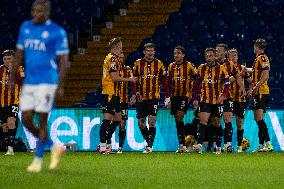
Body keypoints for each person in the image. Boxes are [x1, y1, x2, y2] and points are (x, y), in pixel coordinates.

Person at [10, 0, 69, 172]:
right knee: (26, 119)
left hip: (48, 81)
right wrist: (12, 76)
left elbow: (64, 60)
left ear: (47, 12)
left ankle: (37, 160)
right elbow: (19, 53)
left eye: (41, 11)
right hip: (30, 81)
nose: (37, 14)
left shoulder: (56, 31)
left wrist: (60, 84)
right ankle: (53, 145)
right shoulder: (25, 27)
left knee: (42, 119)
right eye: (35, 10)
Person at [99, 38, 136, 154]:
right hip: (110, 92)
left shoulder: (110, 58)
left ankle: (106, 140)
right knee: (106, 120)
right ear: (116, 46)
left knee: (118, 118)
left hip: (116, 94)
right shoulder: (113, 58)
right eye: (120, 45)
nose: (122, 47)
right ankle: (102, 146)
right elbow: (114, 77)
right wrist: (129, 80)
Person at [131, 43, 168, 153]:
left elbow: (164, 81)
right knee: (141, 123)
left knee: (151, 122)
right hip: (141, 97)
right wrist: (135, 92)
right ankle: (149, 142)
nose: (150, 53)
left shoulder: (159, 64)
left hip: (154, 97)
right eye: (148, 50)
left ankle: (149, 146)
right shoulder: (137, 63)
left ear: (154, 52)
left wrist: (167, 96)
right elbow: (134, 80)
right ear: (144, 52)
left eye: (152, 50)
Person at [193, 48, 230, 154]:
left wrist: (223, 96)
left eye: (210, 56)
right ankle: (199, 145)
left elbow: (227, 84)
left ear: (215, 56)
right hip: (205, 100)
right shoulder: (201, 68)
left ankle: (218, 146)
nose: (208, 58)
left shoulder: (222, 68)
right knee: (203, 121)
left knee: (216, 124)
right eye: (207, 56)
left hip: (217, 101)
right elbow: (196, 84)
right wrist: (195, 97)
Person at [166, 46, 197, 153]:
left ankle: (182, 144)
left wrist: (194, 95)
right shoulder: (171, 66)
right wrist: (167, 97)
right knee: (177, 120)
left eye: (178, 53)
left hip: (184, 96)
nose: (176, 55)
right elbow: (168, 83)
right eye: (175, 53)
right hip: (174, 96)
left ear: (183, 55)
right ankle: (182, 144)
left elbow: (197, 78)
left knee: (179, 117)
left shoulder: (189, 66)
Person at [247, 38, 273, 152]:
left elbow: (265, 75)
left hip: (261, 92)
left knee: (259, 118)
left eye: (255, 46)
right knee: (258, 119)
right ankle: (261, 145)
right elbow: (255, 73)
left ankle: (268, 144)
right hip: (260, 92)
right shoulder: (258, 59)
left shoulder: (262, 58)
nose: (254, 48)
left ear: (257, 47)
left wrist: (256, 88)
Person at [105, 52, 133, 154]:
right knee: (111, 122)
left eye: (122, 58)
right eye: (119, 58)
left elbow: (133, 82)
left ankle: (120, 147)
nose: (120, 59)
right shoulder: (112, 70)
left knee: (122, 124)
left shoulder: (128, 69)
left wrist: (134, 94)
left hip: (123, 100)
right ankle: (108, 143)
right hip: (113, 99)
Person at [0, 50, 24, 155]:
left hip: (14, 101)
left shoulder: (20, 68)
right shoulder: (0, 69)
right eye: (5, 59)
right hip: (1, 102)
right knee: (4, 126)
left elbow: (23, 81)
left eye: (9, 59)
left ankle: (10, 149)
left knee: (11, 122)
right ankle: (5, 145)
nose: (6, 61)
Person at [228, 48, 250, 152]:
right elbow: (227, 81)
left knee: (239, 124)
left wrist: (250, 89)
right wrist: (241, 73)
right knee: (228, 122)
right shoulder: (225, 68)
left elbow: (251, 80)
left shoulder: (242, 68)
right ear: (228, 57)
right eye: (231, 56)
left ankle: (240, 147)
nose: (233, 57)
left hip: (240, 100)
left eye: (235, 55)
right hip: (228, 99)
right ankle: (228, 146)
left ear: (237, 57)